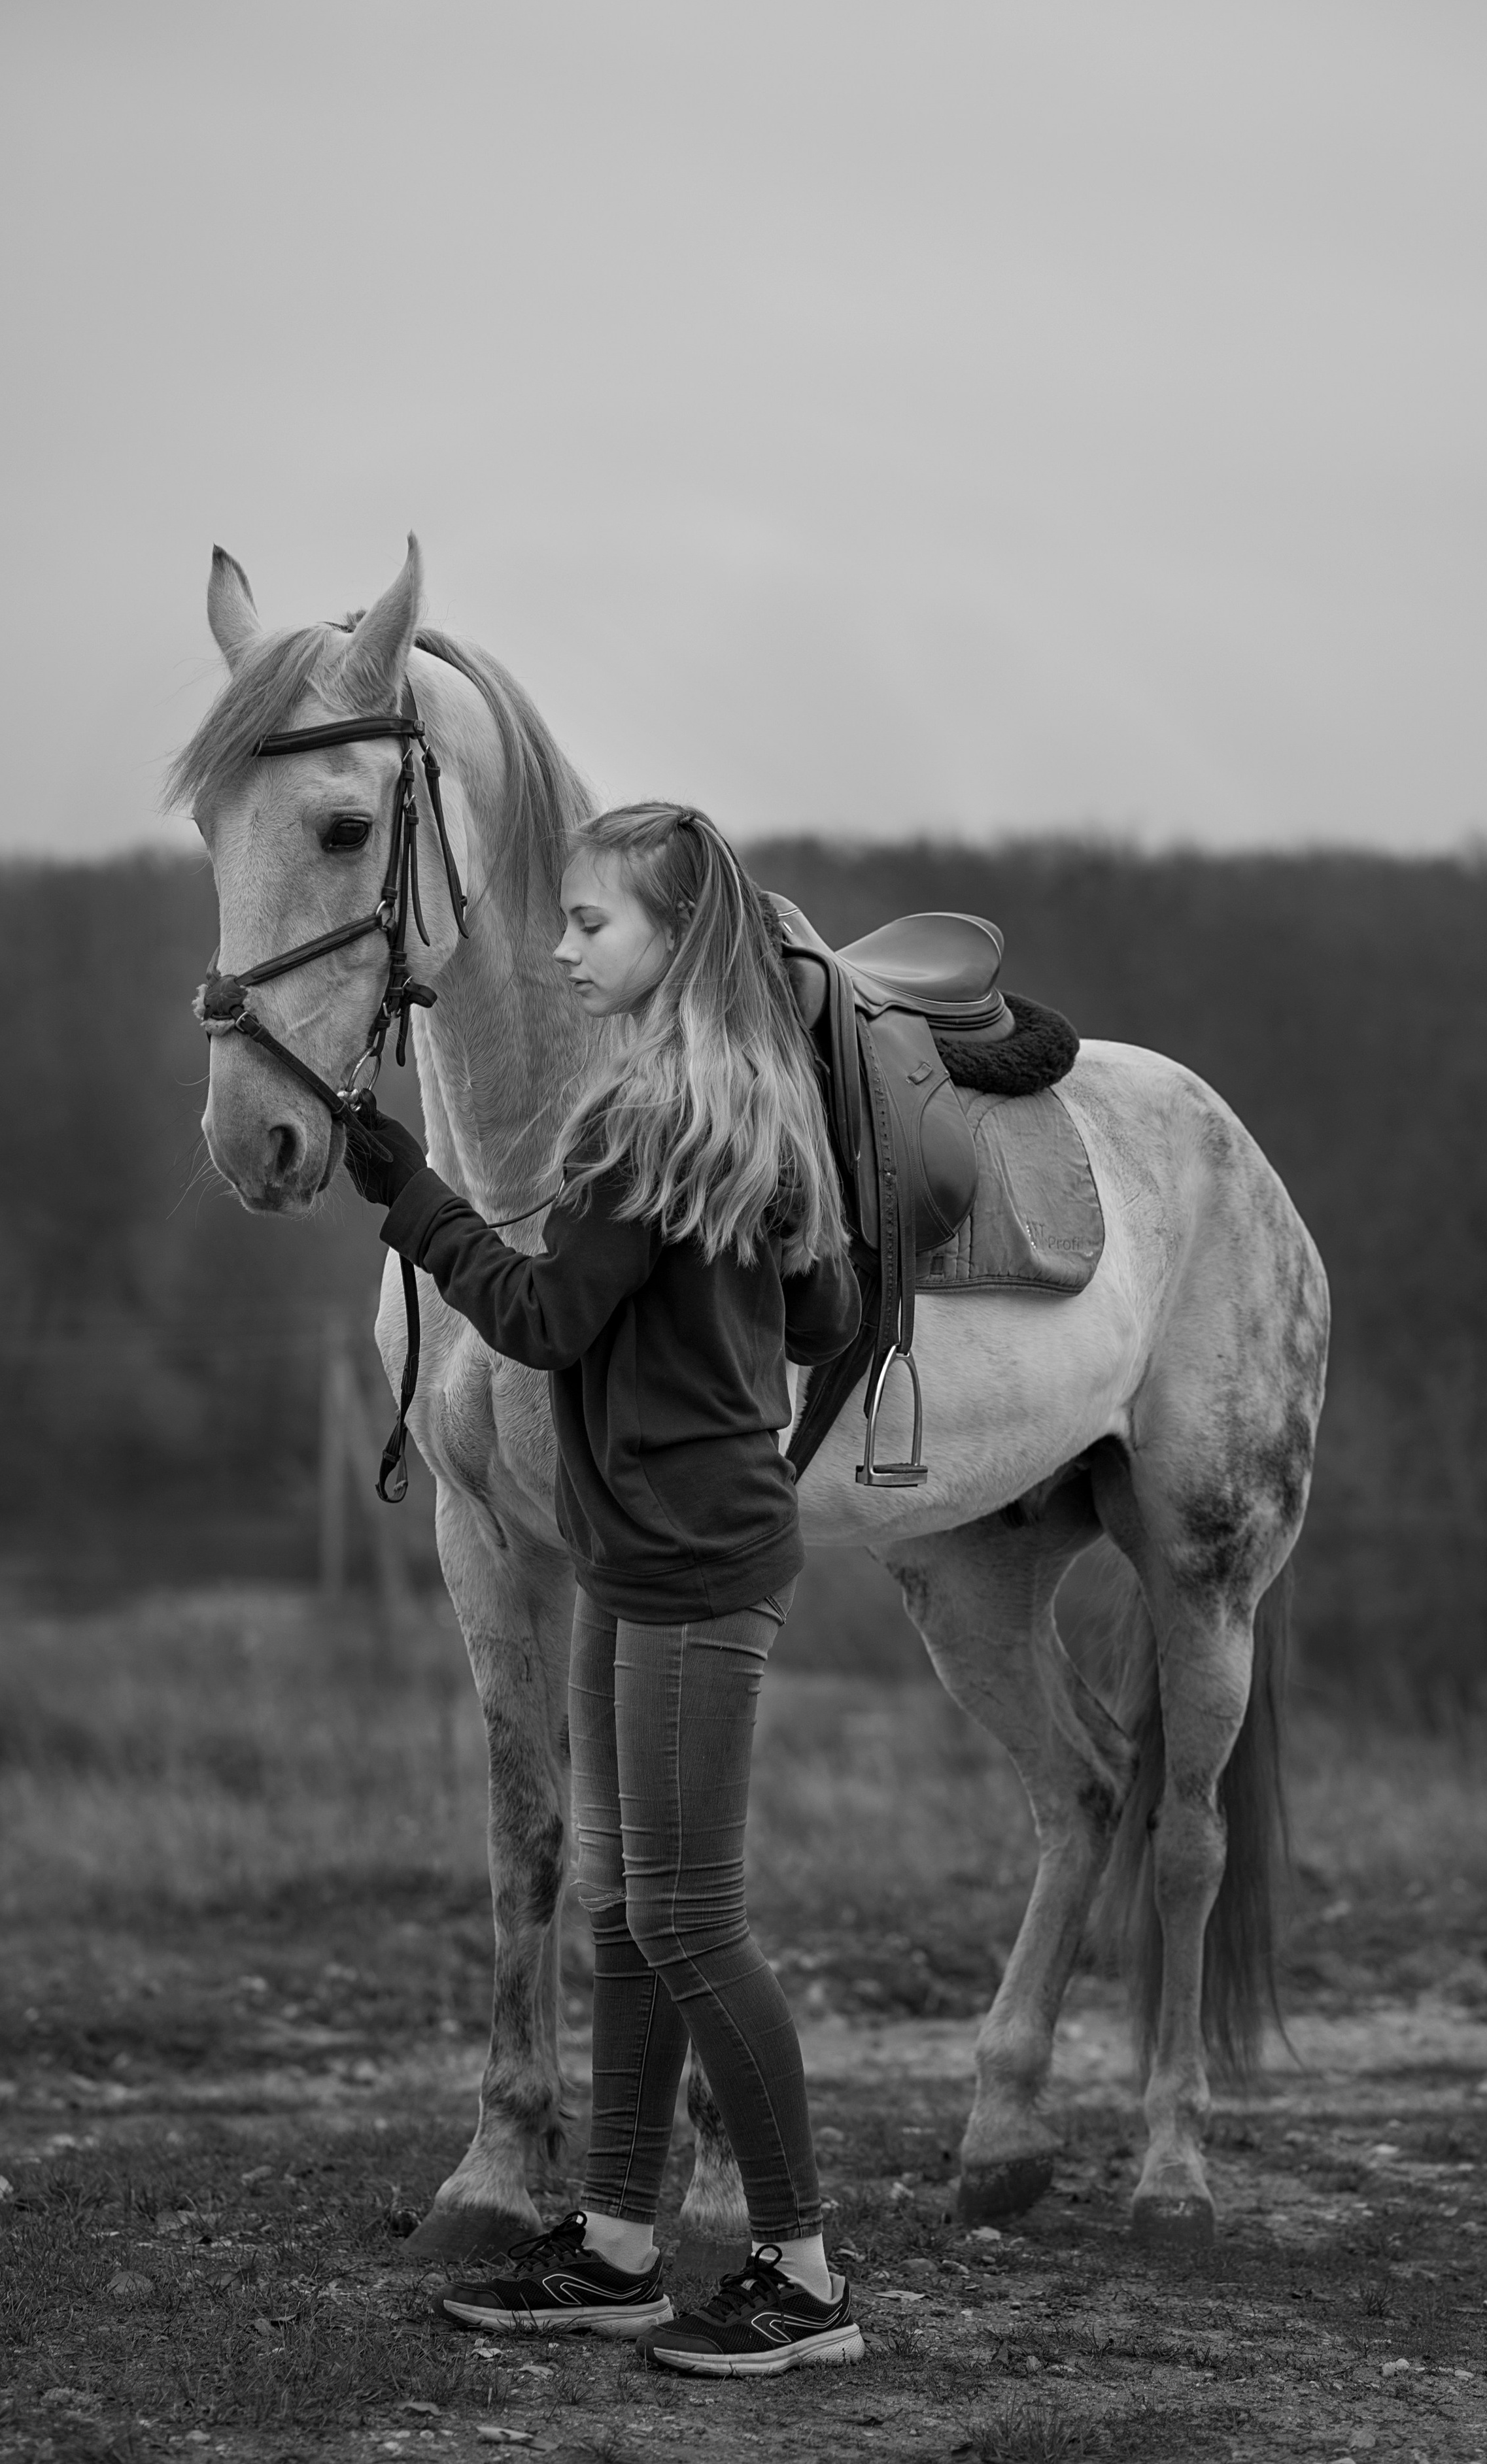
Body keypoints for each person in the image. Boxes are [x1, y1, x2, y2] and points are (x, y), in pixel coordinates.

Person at [346, 802, 864, 2377]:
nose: (559, 949)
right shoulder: (732, 1104)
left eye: (593, 926)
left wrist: (411, 1190)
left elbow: (538, 1317)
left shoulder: (644, 1124)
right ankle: (620, 2246)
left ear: (672, 944)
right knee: (623, 1911)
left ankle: (803, 2272)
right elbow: (827, 1305)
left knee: (691, 1922)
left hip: (696, 1562)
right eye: (560, 920)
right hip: (630, 1551)